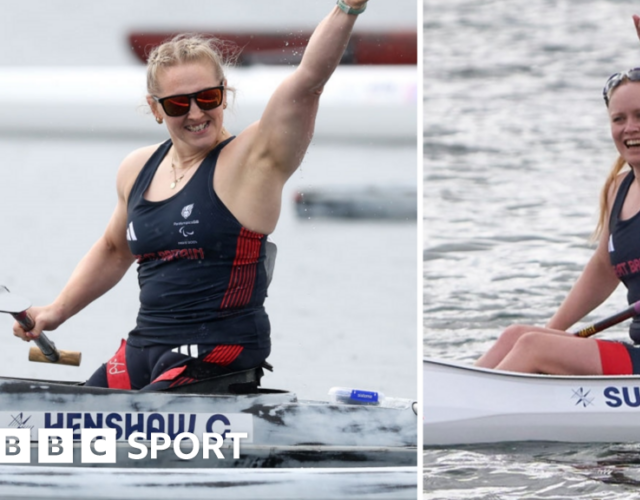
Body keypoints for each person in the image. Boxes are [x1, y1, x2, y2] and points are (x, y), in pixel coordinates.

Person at [12, 0, 372, 390]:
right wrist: (55, 311)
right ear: (155, 109)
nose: (197, 112)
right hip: (145, 349)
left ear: (224, 93)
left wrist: (347, 7)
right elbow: (115, 250)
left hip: (222, 351)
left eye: (208, 98)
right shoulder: (136, 169)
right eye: (179, 104)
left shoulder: (253, 160)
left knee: (132, 422)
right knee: (77, 413)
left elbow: (309, 80)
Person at [475, 15, 640, 376]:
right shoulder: (619, 188)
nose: (630, 128)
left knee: (533, 346)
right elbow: (603, 268)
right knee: (517, 335)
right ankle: (446, 406)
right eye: (619, 119)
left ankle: (461, 417)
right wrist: (552, 333)